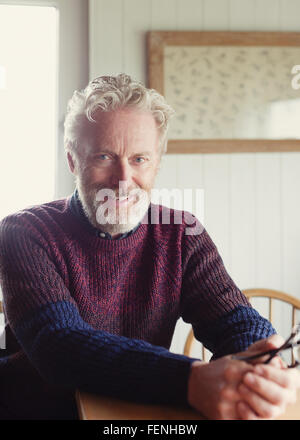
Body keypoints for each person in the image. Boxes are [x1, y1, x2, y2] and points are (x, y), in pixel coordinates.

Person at [0, 73, 299, 420]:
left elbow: (235, 320)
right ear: (72, 160)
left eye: (139, 159)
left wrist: (260, 363)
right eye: (103, 156)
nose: (123, 179)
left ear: (157, 162)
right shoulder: (24, 232)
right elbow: (59, 345)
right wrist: (190, 380)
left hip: (129, 412)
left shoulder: (183, 234)